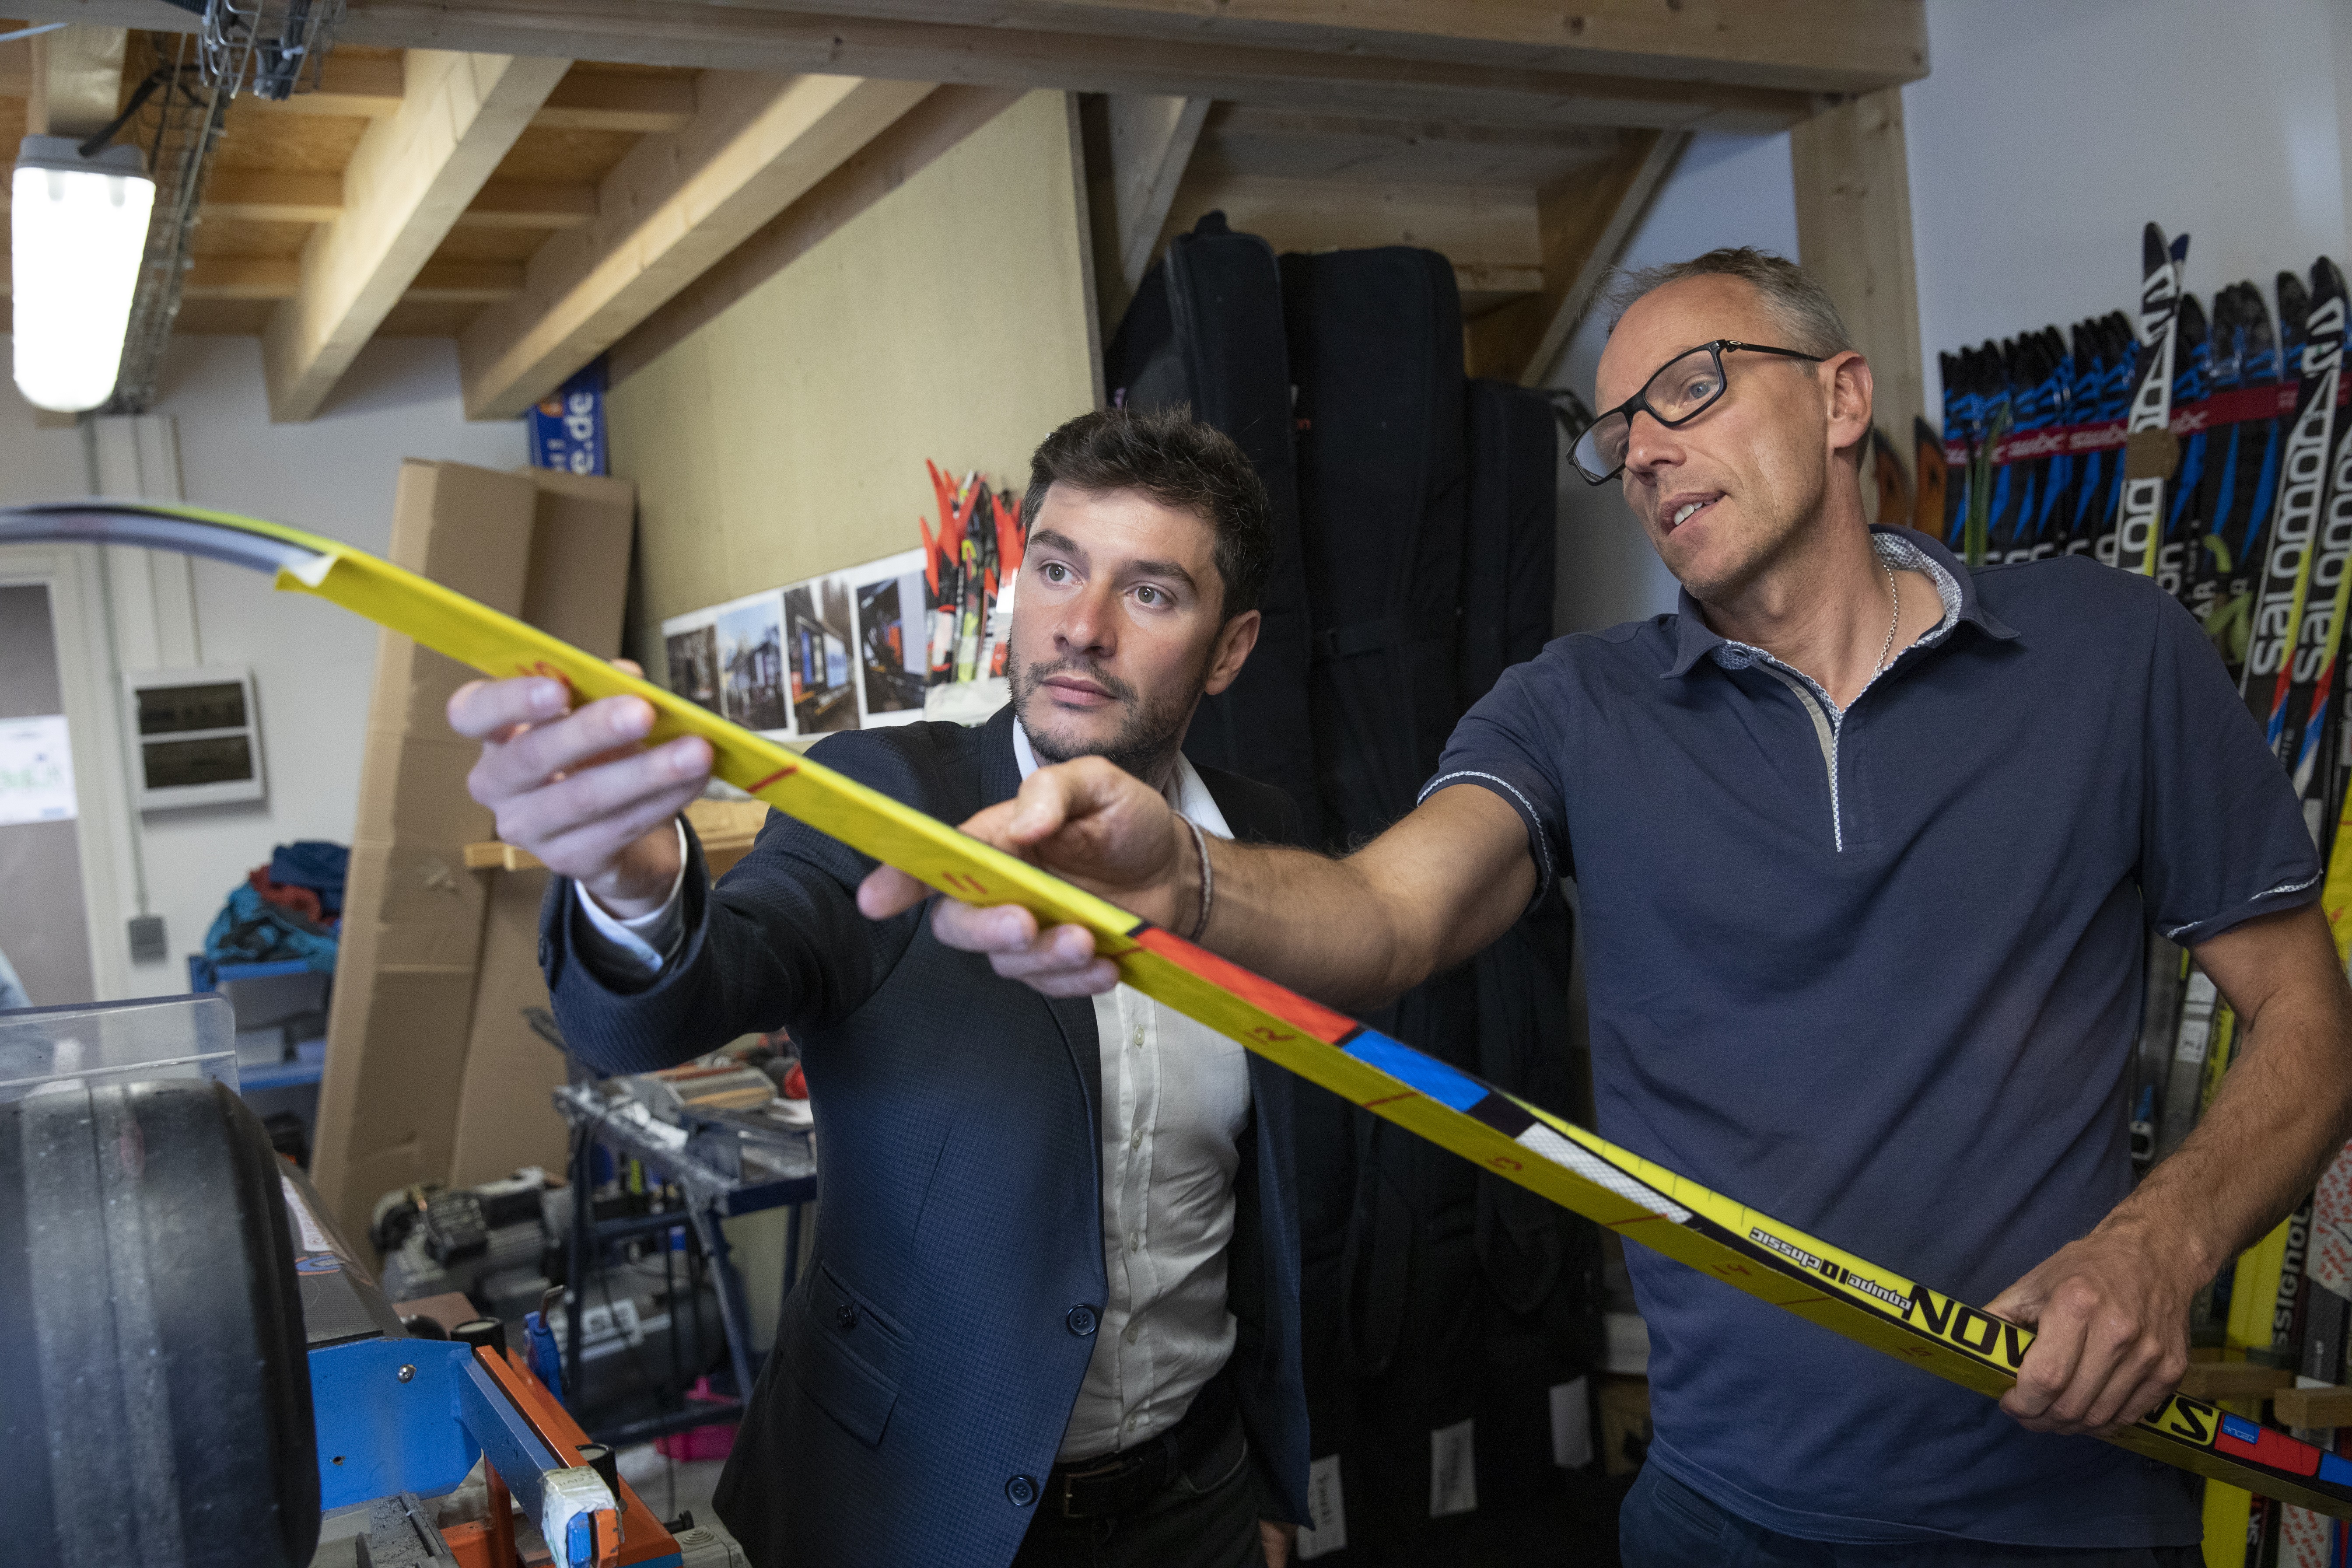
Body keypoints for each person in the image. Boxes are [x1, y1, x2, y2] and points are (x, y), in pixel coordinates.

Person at [862, 250, 2352, 1563]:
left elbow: (2309, 1021)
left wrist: (2162, 1246)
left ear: (1842, 400)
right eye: (1617, 431)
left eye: (1693, 389)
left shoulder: (2111, 656)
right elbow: (1389, 918)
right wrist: (1183, 874)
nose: (1643, 451)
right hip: (1717, 1514)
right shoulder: (1575, 708)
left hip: (2056, 1510)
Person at [450, 408, 1308, 1568]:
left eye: (1151, 594)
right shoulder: (884, 798)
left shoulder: (1262, 855)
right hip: (908, 1513)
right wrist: (630, 882)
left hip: (1192, 1505)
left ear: (1231, 646)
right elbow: (685, 998)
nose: (1083, 628)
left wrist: (1267, 1473)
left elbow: (1269, 1209)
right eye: (1056, 569)